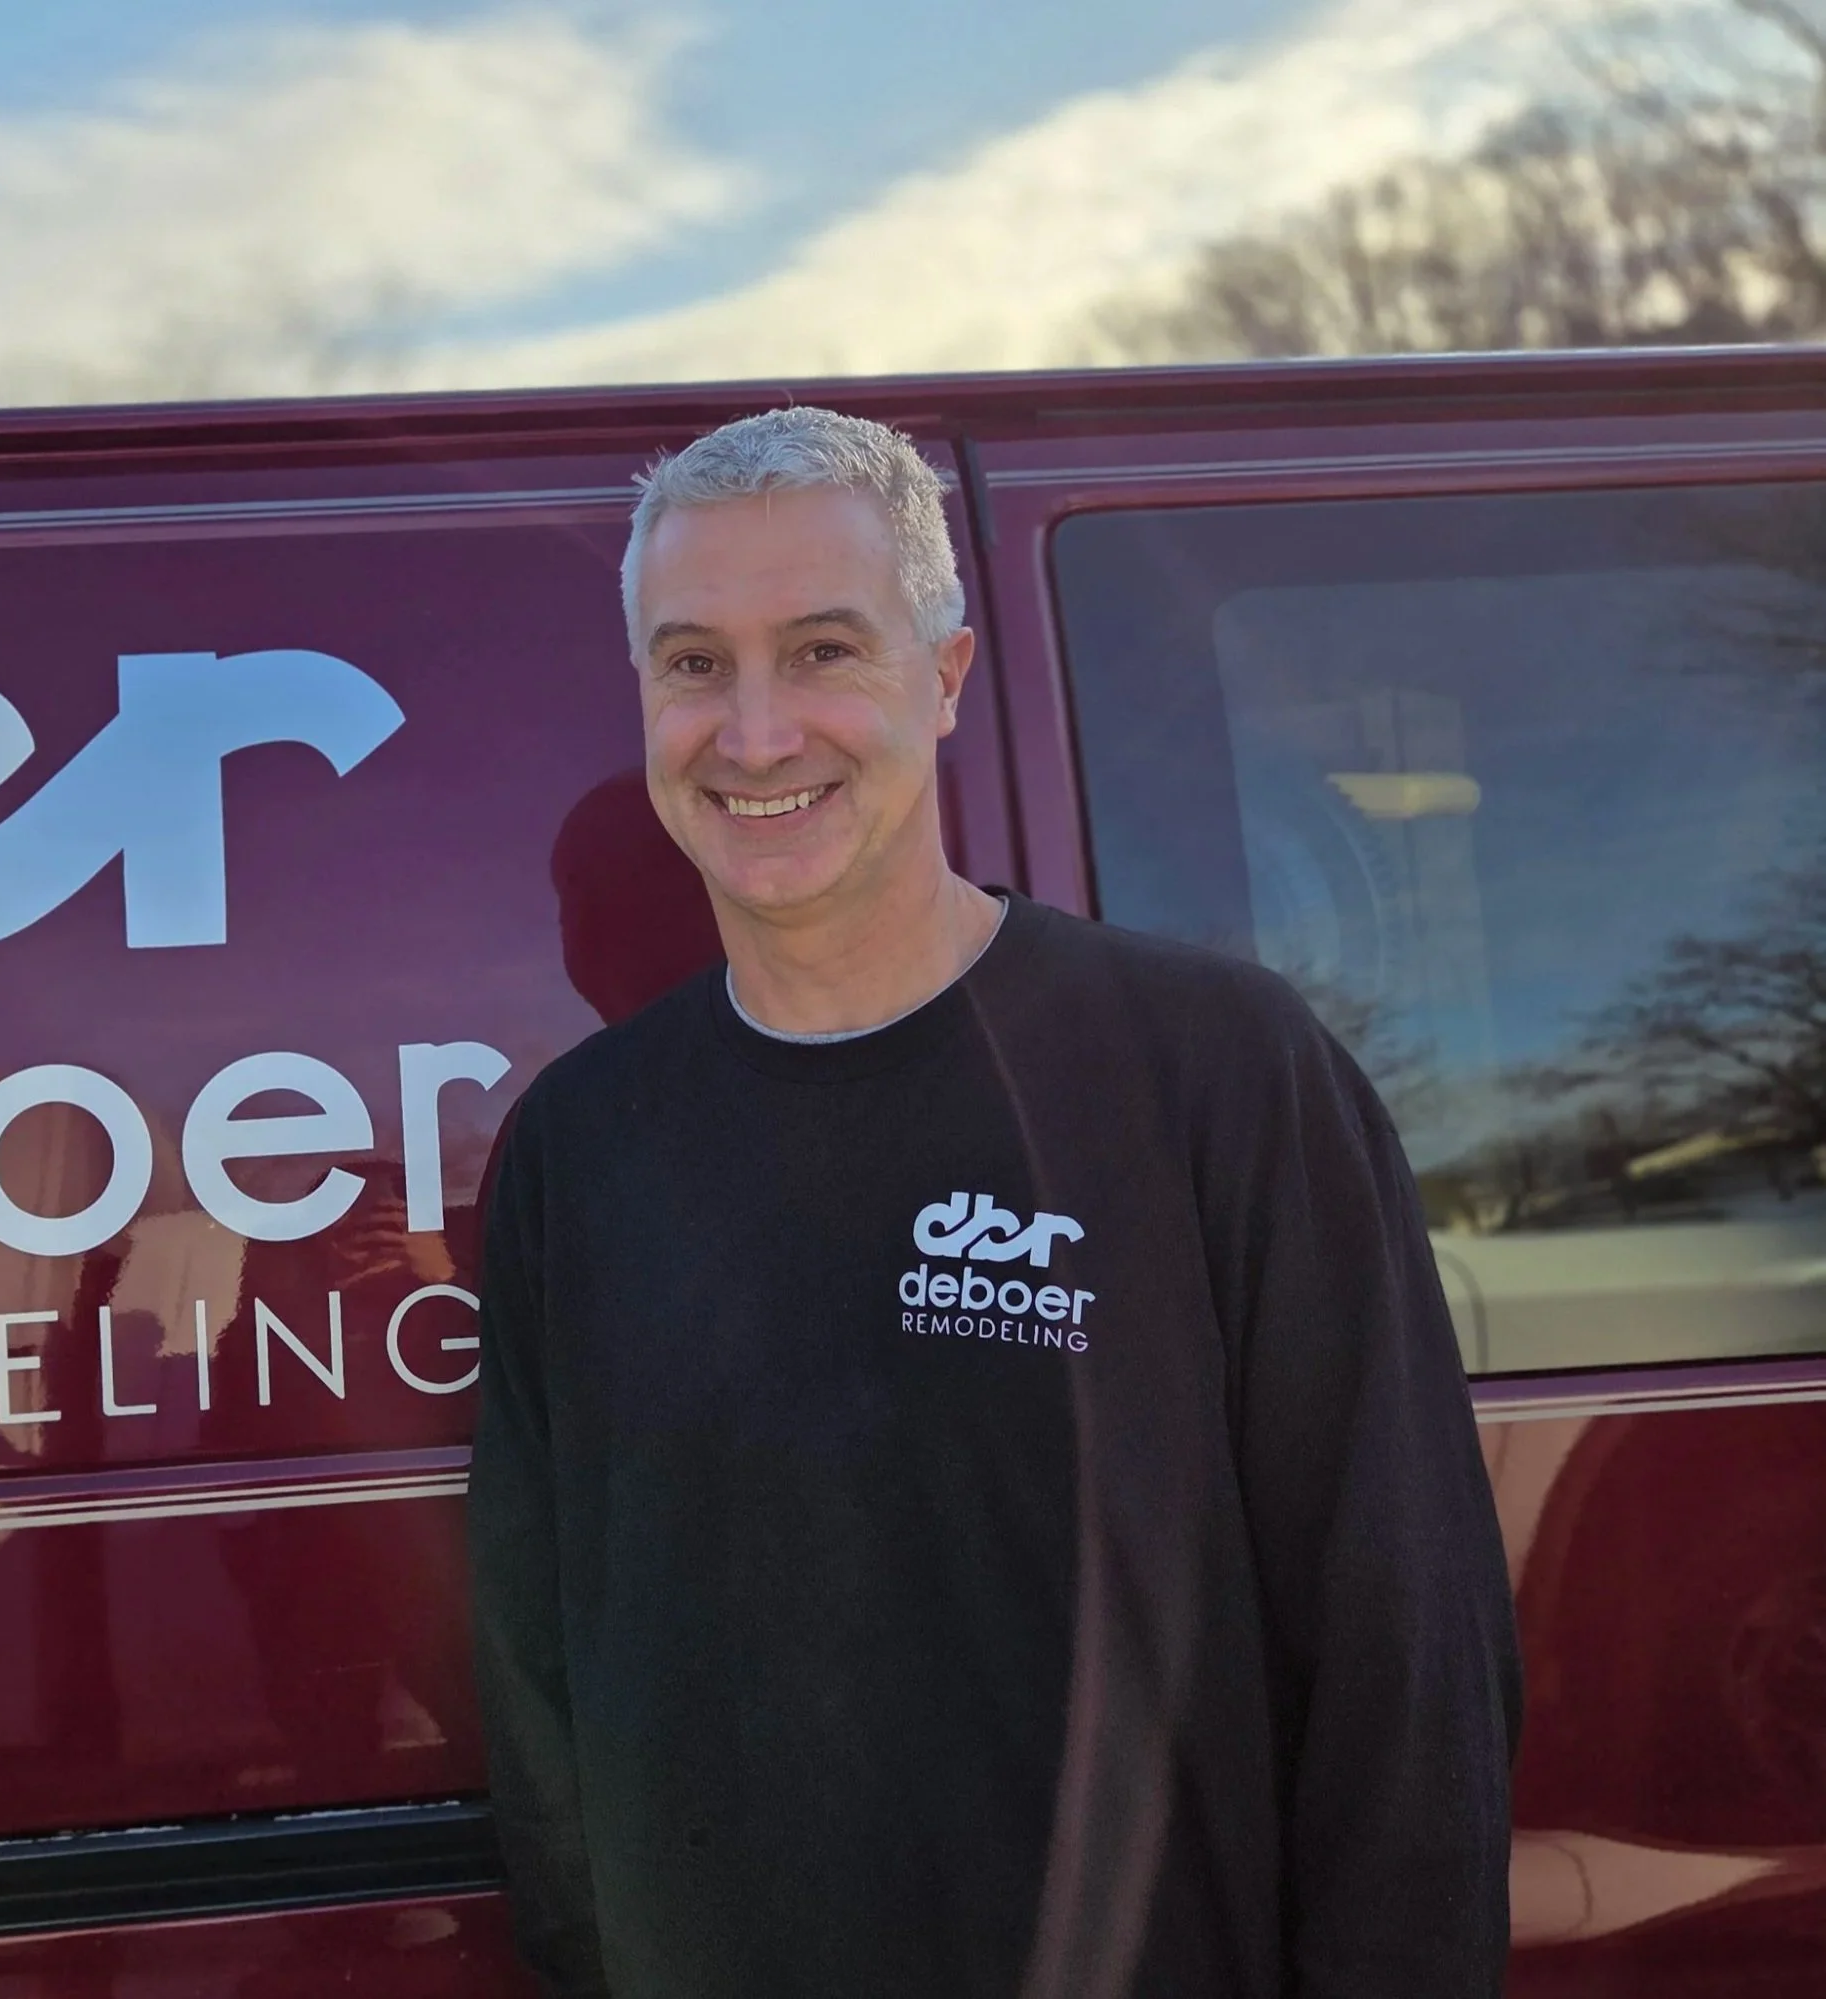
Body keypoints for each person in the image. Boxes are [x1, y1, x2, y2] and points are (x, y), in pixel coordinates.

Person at [466, 406, 1521, 1998]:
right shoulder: (578, 1149)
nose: (755, 732)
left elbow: (1410, 1670)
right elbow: (545, 1703)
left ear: (945, 677)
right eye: (696, 664)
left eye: (825, 649)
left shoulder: (1218, 1078)